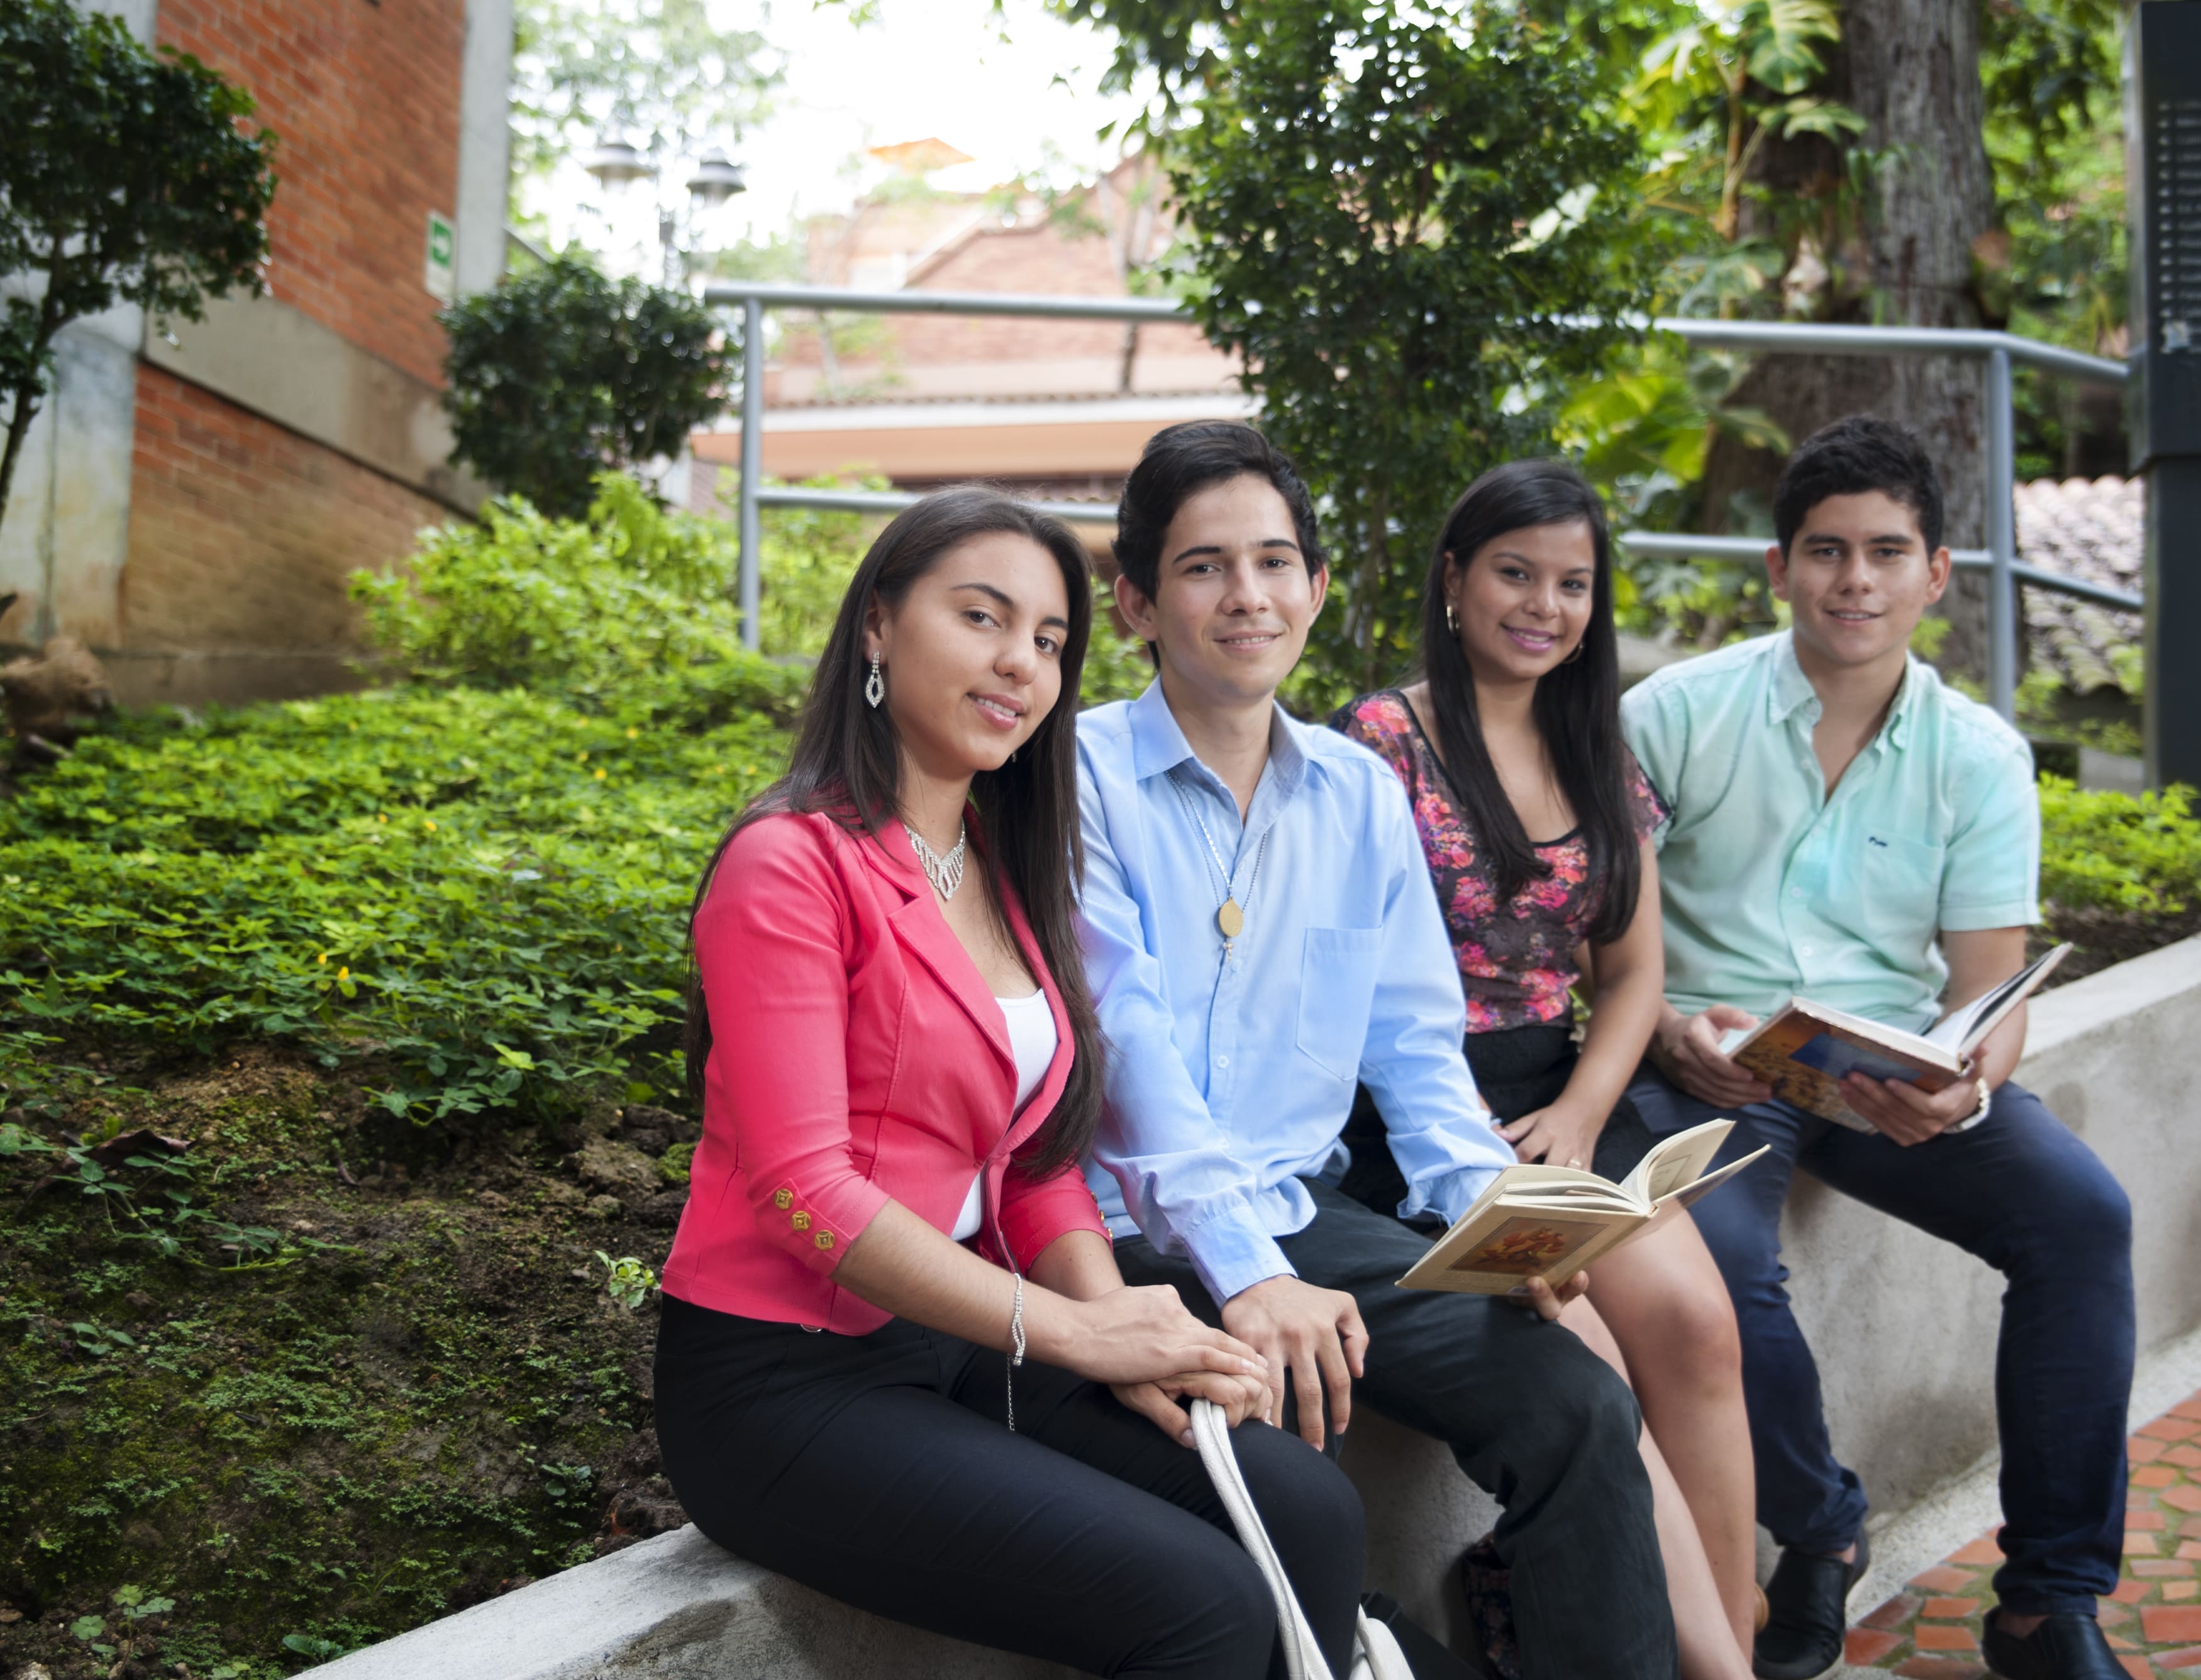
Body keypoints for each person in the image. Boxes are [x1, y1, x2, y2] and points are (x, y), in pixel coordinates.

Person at [655, 486, 1367, 1680]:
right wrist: (1081, 1334)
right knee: (1199, 1610)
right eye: (983, 618)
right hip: (785, 1384)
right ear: (878, 624)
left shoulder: (998, 865)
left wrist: (1131, 1331)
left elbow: (1031, 1159)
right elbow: (805, 1188)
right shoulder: (790, 864)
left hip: (964, 1340)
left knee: (1307, 1508)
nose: (1020, 665)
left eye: (1048, 642)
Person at [1075, 420, 1678, 1680]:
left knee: (1573, 1398)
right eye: (1202, 567)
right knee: (1298, 1475)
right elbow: (1123, 1053)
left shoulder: (1354, 792)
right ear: (1134, 599)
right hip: (1127, 1234)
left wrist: (1493, 1217)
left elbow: (1415, 1045)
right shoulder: (1073, 783)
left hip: (1306, 1212)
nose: (1248, 595)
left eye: (1276, 561)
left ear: (1318, 585)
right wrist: (1245, 1273)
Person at [1619, 417, 2134, 1680]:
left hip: (1874, 1068)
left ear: (1936, 572)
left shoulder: (1979, 758)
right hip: (1710, 1061)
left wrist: (1966, 1087)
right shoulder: (1671, 716)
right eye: (1825, 551)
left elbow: (1987, 988)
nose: (1854, 581)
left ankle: (2045, 1600)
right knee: (1723, 1273)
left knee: (2081, 1217)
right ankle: (1821, 1526)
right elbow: (1604, 943)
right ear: (1777, 566)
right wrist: (1673, 1027)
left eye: (1885, 552)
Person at [1331, 458, 1756, 1680]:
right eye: (1515, 573)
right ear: (1455, 580)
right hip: (1411, 1113)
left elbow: (1630, 976)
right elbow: (1351, 988)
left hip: (1559, 1099)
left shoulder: (1596, 751)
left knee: (1694, 1322)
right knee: (1593, 1357)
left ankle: (1727, 1639)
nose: (1544, 605)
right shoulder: (1378, 742)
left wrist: (1578, 1108)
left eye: (1573, 584)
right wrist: (1491, 1129)